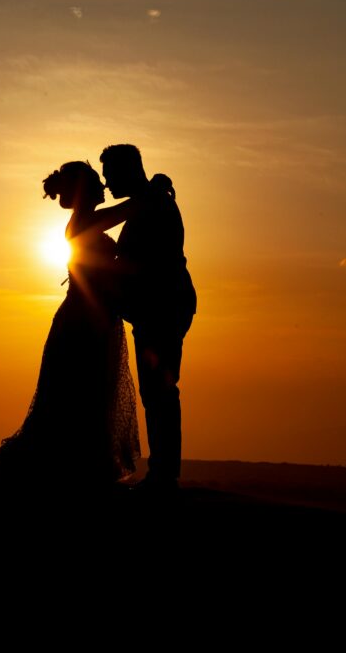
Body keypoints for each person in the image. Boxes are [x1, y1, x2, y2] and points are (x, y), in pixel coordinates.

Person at [0, 161, 140, 486]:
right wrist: (150, 190)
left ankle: (80, 465)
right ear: (86, 191)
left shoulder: (85, 221)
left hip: (94, 317)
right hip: (82, 320)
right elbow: (125, 210)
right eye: (97, 183)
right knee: (78, 392)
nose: (103, 187)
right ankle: (68, 467)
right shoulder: (83, 222)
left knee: (90, 392)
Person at [100, 144, 197, 494]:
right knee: (157, 391)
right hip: (158, 309)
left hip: (163, 308)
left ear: (127, 170)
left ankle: (164, 475)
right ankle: (162, 472)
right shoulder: (150, 200)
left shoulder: (155, 203)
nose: (107, 183)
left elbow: (150, 264)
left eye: (111, 175)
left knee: (160, 391)